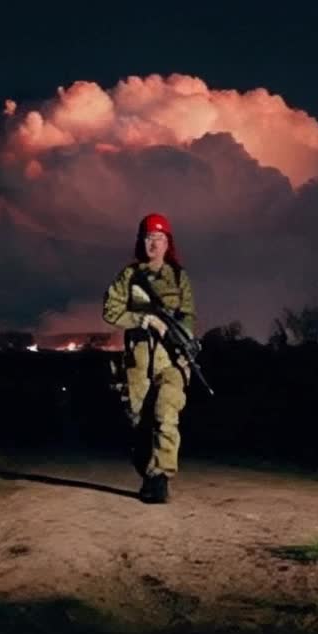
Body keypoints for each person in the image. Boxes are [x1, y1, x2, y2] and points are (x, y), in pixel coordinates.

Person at [103, 212, 196, 503]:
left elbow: (189, 319)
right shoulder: (129, 277)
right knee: (137, 424)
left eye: (158, 238)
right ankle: (149, 473)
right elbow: (110, 311)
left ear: (168, 243)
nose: (153, 244)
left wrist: (185, 347)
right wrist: (144, 320)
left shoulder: (179, 277)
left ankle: (161, 477)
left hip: (171, 360)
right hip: (138, 362)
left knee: (166, 414)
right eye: (147, 238)